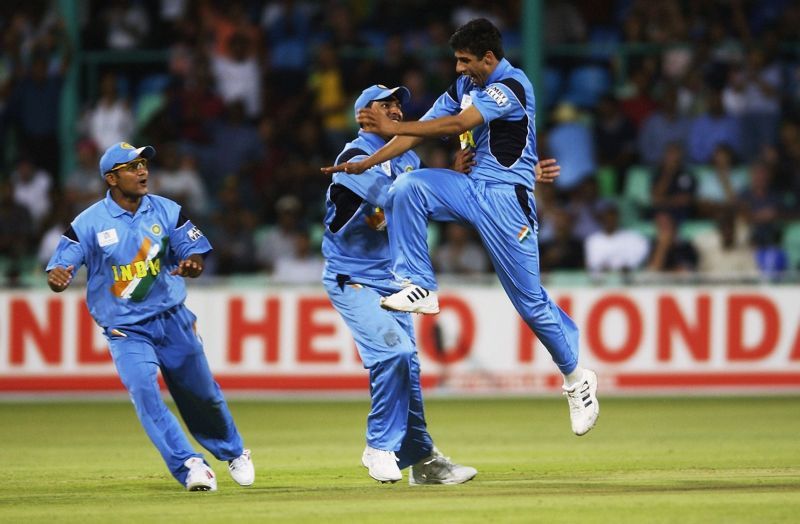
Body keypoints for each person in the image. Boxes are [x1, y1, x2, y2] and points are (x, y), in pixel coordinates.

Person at [322, 19, 599, 437]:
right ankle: (420, 285)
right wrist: (367, 162)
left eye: (465, 60)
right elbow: (418, 134)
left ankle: (577, 377)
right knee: (407, 186)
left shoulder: (512, 85)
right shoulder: (462, 88)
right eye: (456, 60)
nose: (458, 68)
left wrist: (393, 127)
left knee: (529, 304)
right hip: (471, 188)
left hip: (508, 203)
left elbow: (455, 126)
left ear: (489, 58)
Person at [323, 83, 559, 483]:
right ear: (365, 114)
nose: (397, 109)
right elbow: (392, 196)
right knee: (393, 355)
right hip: (354, 277)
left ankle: (423, 462)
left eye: (399, 103)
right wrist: (447, 179)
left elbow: (421, 204)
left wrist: (505, 180)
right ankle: (379, 446)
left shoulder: (407, 157)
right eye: (387, 104)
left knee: (408, 369)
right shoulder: (355, 155)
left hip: (393, 281)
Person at [45, 142, 254, 492]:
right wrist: (58, 275)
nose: (142, 171)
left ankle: (233, 451)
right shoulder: (88, 223)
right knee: (144, 391)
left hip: (172, 319)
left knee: (202, 394)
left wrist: (192, 265)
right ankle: (190, 465)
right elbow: (61, 264)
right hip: (125, 329)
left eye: (143, 164)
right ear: (112, 178)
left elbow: (195, 253)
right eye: (132, 167)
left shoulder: (168, 210)